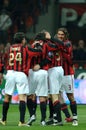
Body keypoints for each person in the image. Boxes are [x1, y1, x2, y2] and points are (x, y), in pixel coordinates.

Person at [0, 32, 42, 127]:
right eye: (24, 39)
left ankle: (3, 119)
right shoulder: (25, 48)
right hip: (21, 74)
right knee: (22, 97)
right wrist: (38, 45)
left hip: (10, 73)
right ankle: (21, 122)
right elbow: (38, 52)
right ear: (22, 40)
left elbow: (3, 60)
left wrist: (2, 72)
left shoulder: (9, 48)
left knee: (7, 96)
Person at [56, 27, 78, 126]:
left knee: (70, 96)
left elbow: (68, 56)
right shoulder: (55, 44)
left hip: (67, 74)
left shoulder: (68, 43)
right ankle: (68, 116)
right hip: (57, 74)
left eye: (62, 34)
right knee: (59, 95)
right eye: (59, 34)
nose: (60, 36)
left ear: (65, 35)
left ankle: (75, 118)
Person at [26, 31, 50, 126]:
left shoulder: (32, 45)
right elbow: (49, 58)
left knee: (30, 95)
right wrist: (40, 65)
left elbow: (29, 56)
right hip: (42, 72)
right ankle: (43, 120)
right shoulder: (47, 45)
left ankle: (32, 115)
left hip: (31, 71)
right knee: (42, 96)